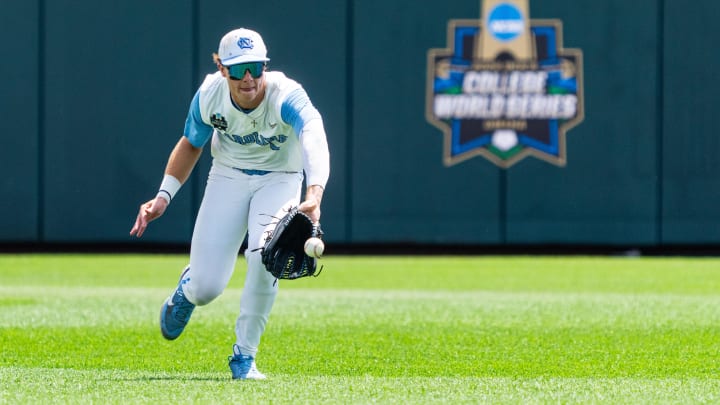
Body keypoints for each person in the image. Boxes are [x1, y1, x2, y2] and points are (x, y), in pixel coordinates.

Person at [129, 27, 330, 380]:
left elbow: (314, 134)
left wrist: (314, 193)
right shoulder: (210, 95)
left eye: (255, 66)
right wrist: (163, 195)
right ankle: (187, 291)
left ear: (265, 65)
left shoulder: (286, 94)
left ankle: (244, 357)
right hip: (228, 175)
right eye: (238, 69)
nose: (248, 77)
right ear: (222, 68)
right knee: (208, 287)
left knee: (266, 257)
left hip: (280, 177)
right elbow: (192, 143)